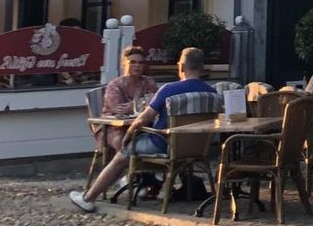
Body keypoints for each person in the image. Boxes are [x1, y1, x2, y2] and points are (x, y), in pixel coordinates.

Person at [67, 47, 215, 212]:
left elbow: (144, 118)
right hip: (198, 147)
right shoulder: (212, 92)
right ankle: (146, 182)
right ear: (202, 67)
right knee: (126, 144)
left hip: (164, 143)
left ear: (180, 67)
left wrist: (129, 136)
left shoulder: (169, 90)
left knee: (123, 153)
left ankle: (88, 198)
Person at [96, 47, 162, 162]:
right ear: (124, 63)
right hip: (114, 128)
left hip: (143, 126)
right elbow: (118, 109)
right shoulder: (115, 85)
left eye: (140, 62)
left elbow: (156, 103)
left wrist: (133, 106)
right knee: (122, 140)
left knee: (161, 137)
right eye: (132, 62)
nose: (137, 65)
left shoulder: (148, 81)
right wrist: (142, 104)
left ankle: (146, 174)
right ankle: (124, 175)